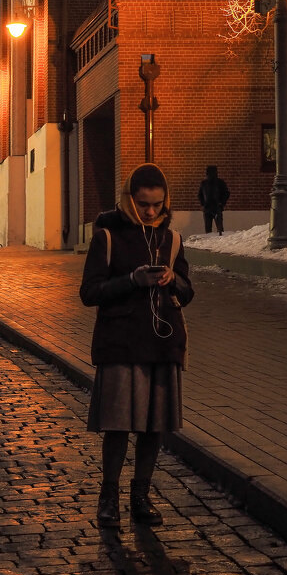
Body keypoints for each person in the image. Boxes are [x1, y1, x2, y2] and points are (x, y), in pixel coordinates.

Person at [80, 163, 194, 529]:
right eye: (143, 204)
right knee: (118, 426)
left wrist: (173, 279)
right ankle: (108, 498)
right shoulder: (108, 236)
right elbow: (89, 293)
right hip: (120, 343)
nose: (150, 212)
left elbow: (189, 292)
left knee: (152, 426)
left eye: (157, 205)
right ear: (130, 200)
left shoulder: (171, 239)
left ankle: (141, 496)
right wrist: (131, 280)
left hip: (162, 344)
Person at [197, 165, 230, 235]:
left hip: (216, 207)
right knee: (209, 229)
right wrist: (203, 204)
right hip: (208, 208)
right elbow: (200, 195)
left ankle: (220, 241)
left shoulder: (219, 183)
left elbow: (226, 194)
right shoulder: (204, 183)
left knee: (219, 229)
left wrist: (222, 203)